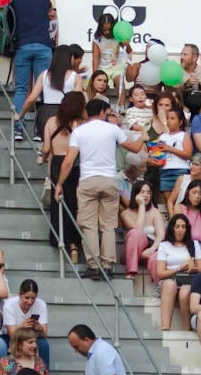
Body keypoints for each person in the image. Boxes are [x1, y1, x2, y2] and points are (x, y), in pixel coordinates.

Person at [56, 98, 144, 278]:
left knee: (89, 226)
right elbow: (135, 148)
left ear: (87, 113)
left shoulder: (79, 131)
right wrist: (143, 136)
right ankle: (107, 265)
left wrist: (59, 184)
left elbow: (69, 161)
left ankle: (93, 265)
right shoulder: (113, 129)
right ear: (104, 111)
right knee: (108, 226)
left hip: (88, 180)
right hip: (109, 180)